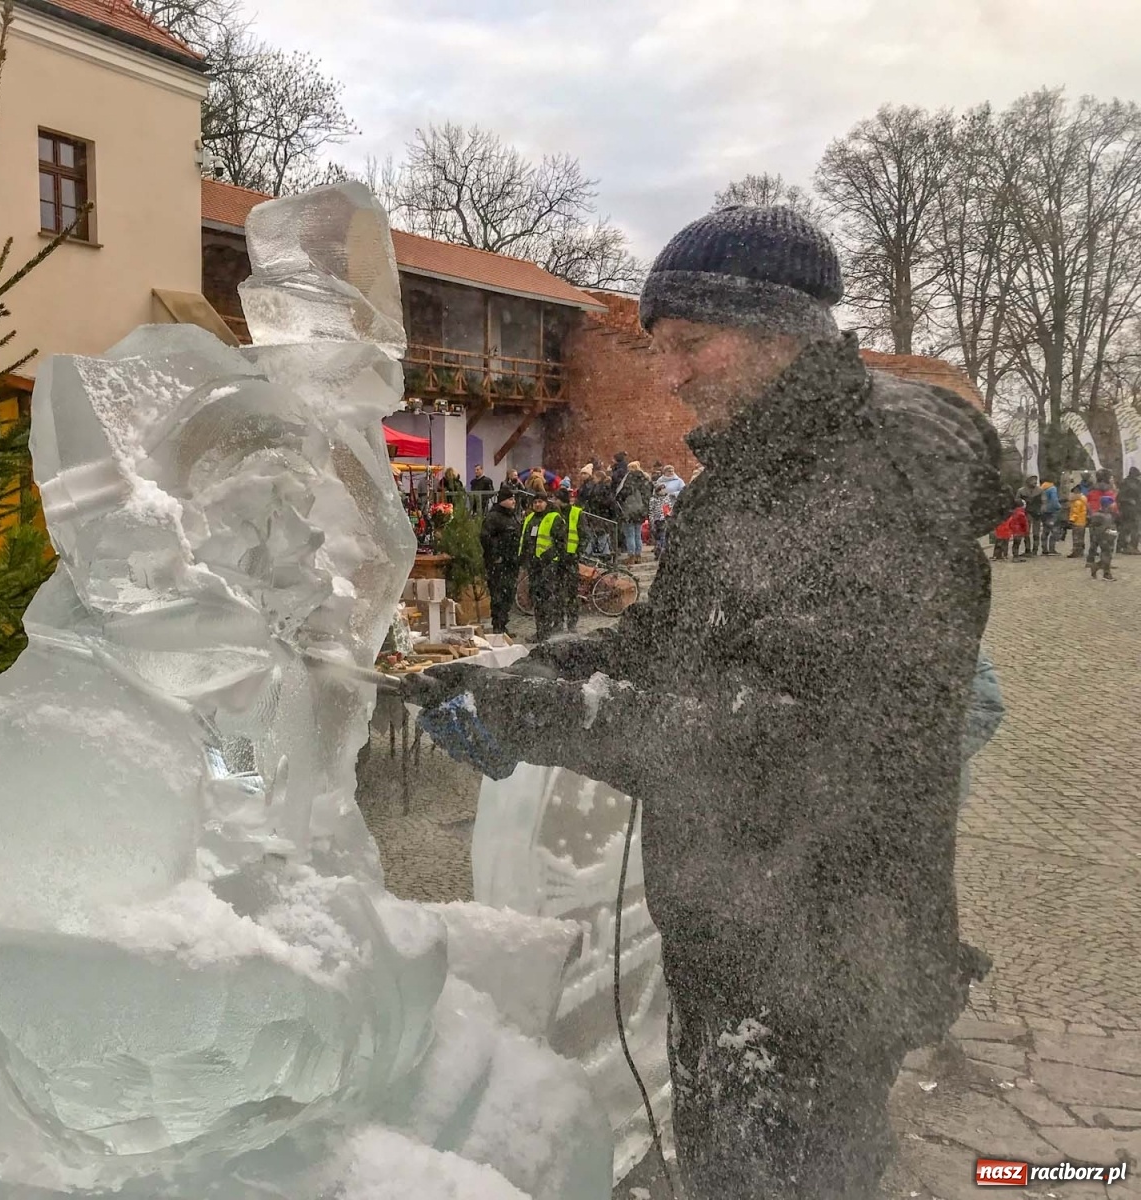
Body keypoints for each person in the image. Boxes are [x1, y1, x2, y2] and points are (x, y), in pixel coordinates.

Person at [404, 204, 1008, 1200]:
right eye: (659, 350)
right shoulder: (741, 478)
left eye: (690, 343)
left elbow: (792, 740)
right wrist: (534, 670)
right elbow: (670, 642)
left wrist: (539, 719)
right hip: (731, 926)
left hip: (822, 948)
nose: (670, 375)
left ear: (780, 330)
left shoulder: (878, 480)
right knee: (724, 1162)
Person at [518, 492, 565, 640]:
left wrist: (549, 555)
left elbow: (561, 541)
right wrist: (523, 557)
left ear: (546, 502)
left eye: (540, 502)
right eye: (535, 502)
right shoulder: (530, 518)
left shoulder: (554, 518)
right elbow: (524, 539)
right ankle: (542, 629)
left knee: (546, 597)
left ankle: (547, 629)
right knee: (537, 597)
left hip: (548, 564)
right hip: (534, 564)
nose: (537, 505)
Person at [480, 488, 523, 635]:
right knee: (499, 595)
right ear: (502, 501)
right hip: (499, 564)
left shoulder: (512, 516)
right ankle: (498, 626)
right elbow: (485, 538)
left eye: (513, 499)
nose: (513, 501)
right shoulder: (493, 517)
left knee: (508, 594)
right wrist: (496, 555)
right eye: (510, 499)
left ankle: (503, 625)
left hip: (511, 562)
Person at [557, 488, 587, 633]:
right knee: (558, 593)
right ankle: (558, 622)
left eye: (556, 499)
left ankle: (571, 623)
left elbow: (584, 534)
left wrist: (578, 552)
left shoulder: (576, 513)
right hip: (557, 558)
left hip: (570, 558)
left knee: (571, 593)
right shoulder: (554, 514)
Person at [618, 461, 652, 563]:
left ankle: (631, 556)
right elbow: (648, 495)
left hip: (629, 510)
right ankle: (638, 555)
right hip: (641, 510)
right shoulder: (645, 479)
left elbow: (622, 494)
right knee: (638, 534)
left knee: (630, 534)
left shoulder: (629, 479)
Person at [1085, 470, 1118, 568]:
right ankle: (1106, 562)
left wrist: (1090, 513)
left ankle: (1090, 560)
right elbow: (1113, 504)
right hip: (1107, 517)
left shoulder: (1091, 489)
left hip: (1094, 516)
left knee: (1094, 540)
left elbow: (1088, 503)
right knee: (1109, 541)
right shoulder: (1109, 490)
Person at [1088, 495, 1119, 580]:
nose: (1113, 506)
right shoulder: (1098, 515)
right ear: (1107, 505)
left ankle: (1096, 566)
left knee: (1108, 555)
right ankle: (1106, 574)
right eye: (1112, 504)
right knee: (1106, 555)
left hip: (1110, 538)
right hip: (1103, 538)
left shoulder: (1110, 514)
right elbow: (1095, 528)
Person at [1018, 474, 1046, 557]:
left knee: (1036, 533)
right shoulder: (1021, 491)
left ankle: (1035, 549)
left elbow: (1044, 501)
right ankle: (1027, 549)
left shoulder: (1040, 490)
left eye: (1035, 480)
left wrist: (1042, 509)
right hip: (1026, 513)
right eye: (1032, 480)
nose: (1035, 482)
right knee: (1026, 532)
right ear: (1027, 481)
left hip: (1037, 513)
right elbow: (1017, 501)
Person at [1118, 466, 1141, 553]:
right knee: (1135, 528)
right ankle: (1132, 547)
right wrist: (1129, 500)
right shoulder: (1134, 483)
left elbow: (1119, 497)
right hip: (1133, 509)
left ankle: (1122, 546)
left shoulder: (1125, 482)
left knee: (1125, 528)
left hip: (1126, 509)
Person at [1037, 477, 1061, 555]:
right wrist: (1058, 507)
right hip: (1052, 512)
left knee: (1045, 530)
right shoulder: (1052, 488)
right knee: (1054, 531)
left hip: (1043, 512)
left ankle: (1044, 549)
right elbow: (1054, 500)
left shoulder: (1041, 488)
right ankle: (1052, 549)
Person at [1065, 487, 1088, 558]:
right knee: (1081, 538)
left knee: (1076, 538)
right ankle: (1081, 551)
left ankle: (1076, 552)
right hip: (1082, 522)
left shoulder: (1077, 502)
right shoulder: (1083, 500)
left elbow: (1075, 513)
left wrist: (1071, 520)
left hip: (1077, 522)